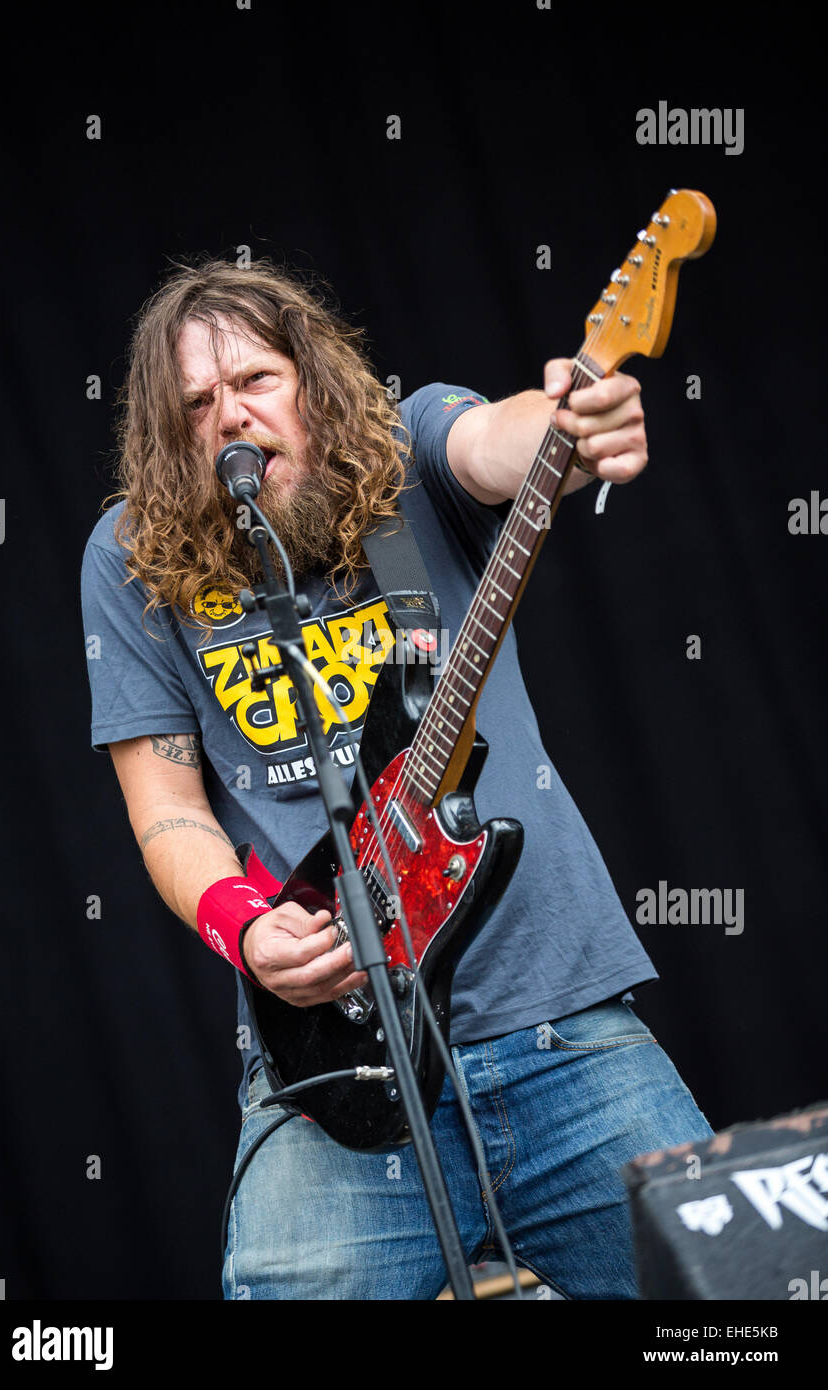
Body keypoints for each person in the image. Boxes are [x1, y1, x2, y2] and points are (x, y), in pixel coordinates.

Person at [81, 258, 712, 1300]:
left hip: (556, 1025)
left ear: (314, 380)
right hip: (334, 1069)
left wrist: (568, 415)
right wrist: (243, 924)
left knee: (725, 1304)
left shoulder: (409, 448)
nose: (229, 418)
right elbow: (166, 813)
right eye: (195, 403)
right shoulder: (130, 555)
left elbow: (496, 440)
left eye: (255, 381)